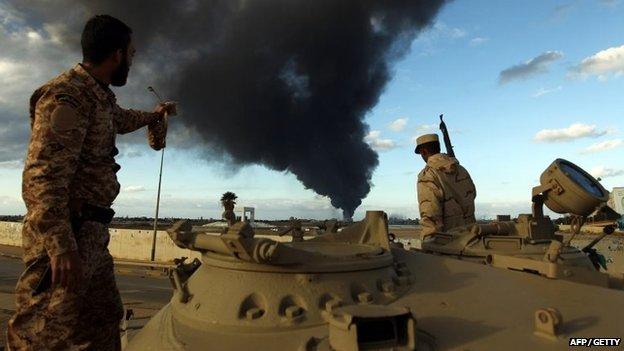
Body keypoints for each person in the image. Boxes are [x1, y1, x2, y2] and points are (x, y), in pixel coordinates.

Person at [7, 15, 177, 350]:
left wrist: (156, 114)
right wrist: (61, 246)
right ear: (116, 54)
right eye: (131, 52)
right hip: (69, 232)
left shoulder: (100, 98)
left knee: (101, 324)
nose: (132, 59)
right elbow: (42, 176)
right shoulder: (66, 97)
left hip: (92, 236)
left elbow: (122, 118)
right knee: (40, 332)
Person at [414, 134, 476, 238]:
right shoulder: (462, 170)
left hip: (449, 242)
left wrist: (429, 242)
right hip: (471, 237)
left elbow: (430, 213)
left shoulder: (428, 175)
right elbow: (472, 194)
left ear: (423, 152)